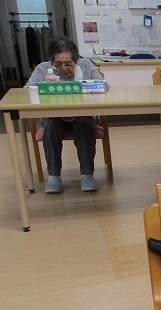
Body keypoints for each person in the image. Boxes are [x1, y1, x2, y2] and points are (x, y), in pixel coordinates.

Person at [26, 37, 103, 194]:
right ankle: (54, 176)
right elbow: (25, 92)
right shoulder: (42, 69)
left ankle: (87, 175)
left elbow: (103, 84)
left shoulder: (86, 65)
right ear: (51, 61)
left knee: (84, 125)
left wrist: (93, 85)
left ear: (76, 60)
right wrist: (42, 86)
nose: (64, 68)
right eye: (58, 64)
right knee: (50, 128)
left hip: (82, 115)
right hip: (55, 117)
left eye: (68, 64)